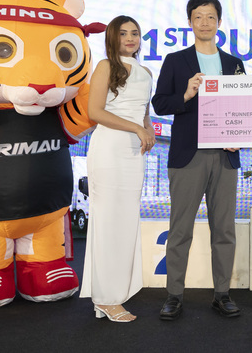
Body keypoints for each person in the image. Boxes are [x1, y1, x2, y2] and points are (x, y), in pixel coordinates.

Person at [152, 0, 246, 321]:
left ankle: (222, 294)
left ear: (219, 22)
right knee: (180, 229)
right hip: (188, 155)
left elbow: (243, 108)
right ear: (190, 22)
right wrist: (186, 94)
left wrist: (239, 136)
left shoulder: (234, 64)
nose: (204, 23)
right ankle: (174, 296)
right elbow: (160, 103)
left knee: (224, 230)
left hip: (225, 156)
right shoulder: (176, 61)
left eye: (210, 17)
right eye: (198, 17)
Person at [81, 16, 156, 322]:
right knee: (108, 222)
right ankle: (107, 298)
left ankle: (112, 294)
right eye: (123, 33)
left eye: (135, 33)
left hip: (134, 154)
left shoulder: (146, 71)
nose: (130, 38)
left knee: (125, 221)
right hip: (109, 149)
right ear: (112, 37)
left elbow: (143, 112)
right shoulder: (105, 66)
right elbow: (94, 112)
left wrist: (147, 128)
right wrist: (137, 128)